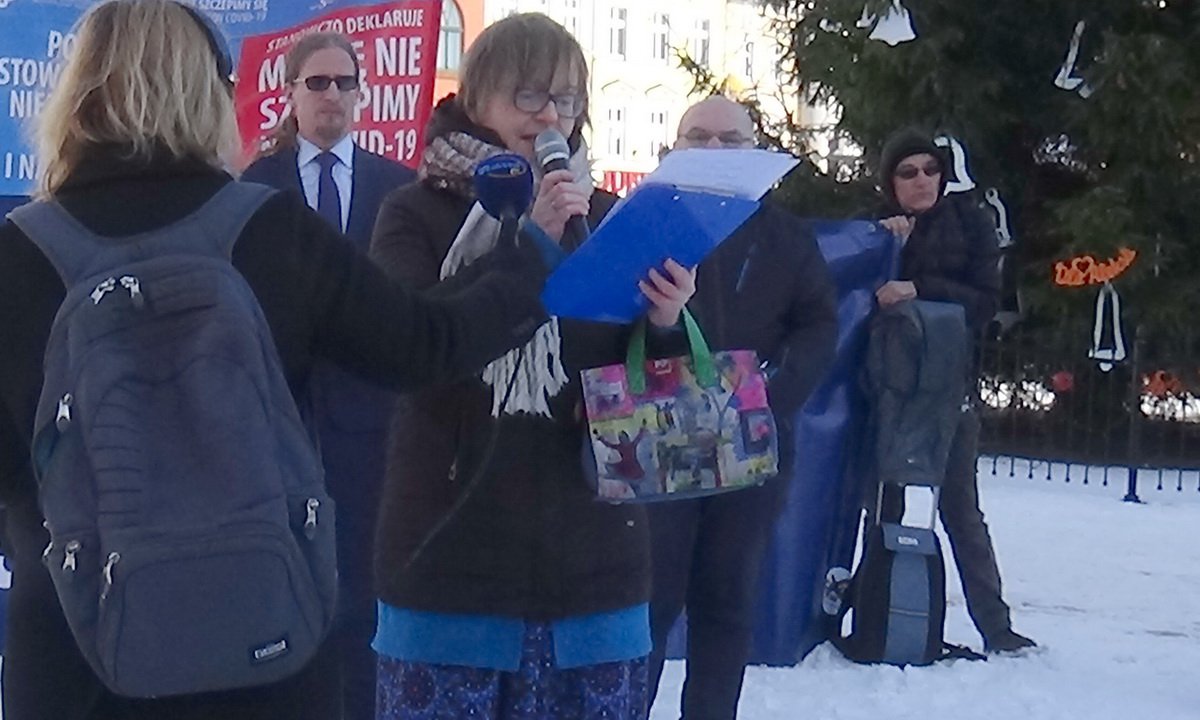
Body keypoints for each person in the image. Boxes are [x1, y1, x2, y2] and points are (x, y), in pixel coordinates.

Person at [0, 2, 553, 719]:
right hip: (262, 635)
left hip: (76, 648)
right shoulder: (270, 228)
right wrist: (525, 258)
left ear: (76, 95)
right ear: (209, 94)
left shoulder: (17, 254)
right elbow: (426, 344)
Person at [367, 13, 695, 720]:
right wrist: (528, 247)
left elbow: (651, 405)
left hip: (595, 577)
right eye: (528, 95)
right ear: (476, 97)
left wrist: (665, 323)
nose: (550, 116)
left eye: (567, 99)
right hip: (450, 566)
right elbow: (408, 348)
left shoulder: (606, 218)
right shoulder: (415, 213)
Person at [240, 31, 415, 720]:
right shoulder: (253, 190)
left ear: (362, 93)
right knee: (288, 591)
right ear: (290, 93)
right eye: (317, 82)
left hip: (372, 426)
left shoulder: (398, 188)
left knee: (363, 598)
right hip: (278, 422)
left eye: (345, 82)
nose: (332, 95)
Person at [646, 96, 839, 720]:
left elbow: (818, 325)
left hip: (752, 442)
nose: (714, 149)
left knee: (726, 603)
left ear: (755, 150)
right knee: (648, 604)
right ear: (674, 148)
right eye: (698, 136)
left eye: (730, 139)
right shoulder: (645, 223)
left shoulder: (787, 236)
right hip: (659, 438)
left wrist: (769, 397)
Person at [873, 127, 1036, 654]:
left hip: (947, 386)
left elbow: (985, 300)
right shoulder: (875, 227)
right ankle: (877, 612)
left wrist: (918, 288)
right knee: (879, 502)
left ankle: (996, 626)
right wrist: (887, 249)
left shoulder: (969, 223)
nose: (922, 180)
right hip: (885, 386)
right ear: (890, 182)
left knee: (961, 508)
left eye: (931, 169)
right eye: (908, 172)